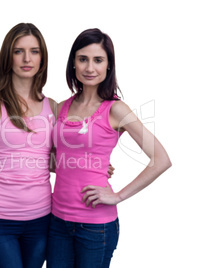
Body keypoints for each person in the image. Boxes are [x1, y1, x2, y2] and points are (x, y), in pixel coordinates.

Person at [46, 28, 172, 268]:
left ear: (108, 66)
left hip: (95, 226)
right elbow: (54, 158)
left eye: (98, 60)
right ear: (73, 63)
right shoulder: (60, 108)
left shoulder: (116, 110)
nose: (89, 68)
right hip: (57, 221)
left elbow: (161, 158)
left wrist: (118, 196)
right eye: (83, 59)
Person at [0, 23, 56, 268]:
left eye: (35, 51)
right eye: (19, 51)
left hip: (42, 219)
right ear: (8, 56)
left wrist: (96, 164)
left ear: (43, 58)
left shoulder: (54, 106)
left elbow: (51, 160)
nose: (27, 58)